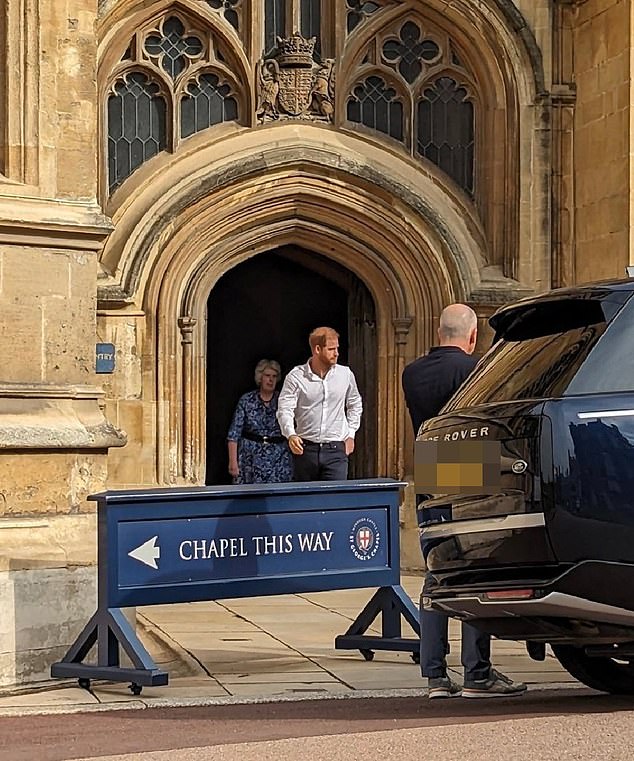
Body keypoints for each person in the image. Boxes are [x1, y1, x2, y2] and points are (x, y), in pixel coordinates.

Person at [402, 303, 527, 699]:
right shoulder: (477, 369)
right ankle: (478, 673)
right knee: (476, 570)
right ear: (472, 336)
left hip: (430, 464)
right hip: (472, 465)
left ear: (440, 332)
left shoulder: (412, 373)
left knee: (437, 571)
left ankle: (435, 674)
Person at [277, 327, 363, 481]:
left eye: (337, 348)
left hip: (335, 449)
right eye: (331, 349)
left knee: (335, 500)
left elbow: (355, 403)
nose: (336, 353)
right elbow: (285, 409)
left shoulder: (345, 374)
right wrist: (290, 434)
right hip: (305, 449)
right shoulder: (296, 377)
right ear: (317, 349)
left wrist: (351, 434)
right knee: (305, 501)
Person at [227, 359, 292, 484]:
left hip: (278, 458)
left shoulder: (283, 400)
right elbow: (234, 434)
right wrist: (233, 462)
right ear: (260, 377)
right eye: (267, 376)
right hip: (250, 459)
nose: (271, 380)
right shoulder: (246, 400)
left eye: (274, 376)